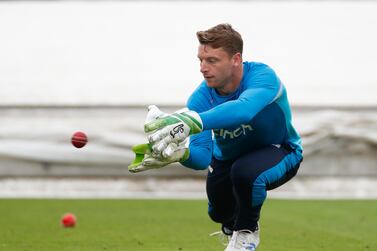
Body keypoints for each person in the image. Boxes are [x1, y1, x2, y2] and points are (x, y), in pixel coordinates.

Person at [129, 23, 303, 251]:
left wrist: (193, 122)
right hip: (227, 160)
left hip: (280, 150)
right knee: (218, 212)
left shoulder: (263, 76)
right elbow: (202, 157)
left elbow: (243, 110)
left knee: (245, 173)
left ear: (236, 59)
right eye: (200, 60)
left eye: (212, 60)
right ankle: (233, 228)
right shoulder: (199, 100)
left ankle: (247, 233)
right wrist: (181, 154)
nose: (203, 68)